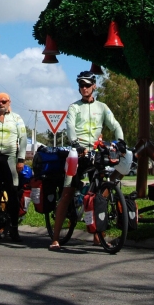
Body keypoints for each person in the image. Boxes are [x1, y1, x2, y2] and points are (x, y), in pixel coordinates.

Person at [49, 71, 124, 251]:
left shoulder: (102, 107)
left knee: (100, 194)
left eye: (87, 85)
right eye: (81, 85)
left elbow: (114, 125)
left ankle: (99, 236)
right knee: (67, 193)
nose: (84, 88)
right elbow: (70, 127)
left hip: (96, 152)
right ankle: (55, 237)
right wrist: (75, 143)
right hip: (78, 152)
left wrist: (120, 142)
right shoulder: (74, 107)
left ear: (94, 86)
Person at [0, 92, 28, 242]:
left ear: (9, 102)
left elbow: (23, 139)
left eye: (3, 101)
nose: (1, 104)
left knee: (13, 194)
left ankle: (14, 229)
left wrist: (21, 159)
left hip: (10, 158)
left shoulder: (16, 119)